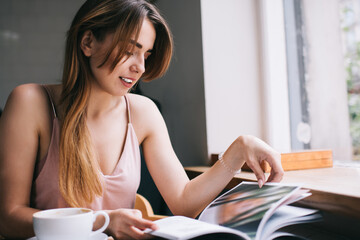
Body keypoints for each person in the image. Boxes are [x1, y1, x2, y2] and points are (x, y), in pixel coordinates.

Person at [0, 0, 284, 239]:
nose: (140, 67)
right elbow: (8, 219)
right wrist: (103, 221)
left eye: (146, 54)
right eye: (129, 50)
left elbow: (183, 202)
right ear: (87, 42)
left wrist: (239, 149)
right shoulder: (30, 103)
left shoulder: (143, 112)